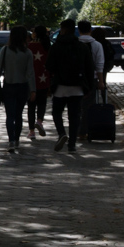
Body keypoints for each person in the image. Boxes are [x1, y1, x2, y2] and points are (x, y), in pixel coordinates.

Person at [46, 19, 95, 153]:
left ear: (63, 30)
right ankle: (72, 145)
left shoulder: (56, 46)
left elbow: (49, 66)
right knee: (74, 116)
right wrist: (89, 86)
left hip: (60, 86)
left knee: (57, 112)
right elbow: (90, 68)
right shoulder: (82, 47)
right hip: (77, 86)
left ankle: (62, 133)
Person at [0, 25, 36, 152]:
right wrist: (33, 89)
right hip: (22, 87)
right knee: (19, 115)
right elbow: (30, 73)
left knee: (10, 115)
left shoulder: (5, 50)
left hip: (9, 86)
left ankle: (11, 140)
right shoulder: (27, 53)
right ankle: (17, 139)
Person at [77, 21, 106, 140]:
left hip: (76, 80)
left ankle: (77, 129)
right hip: (91, 79)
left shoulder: (75, 44)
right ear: (90, 30)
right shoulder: (97, 45)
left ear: (79, 30)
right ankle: (85, 130)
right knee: (89, 106)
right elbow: (100, 65)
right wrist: (101, 81)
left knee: (76, 106)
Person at [26, 26, 51, 140]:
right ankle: (39, 121)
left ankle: (31, 131)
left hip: (31, 79)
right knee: (42, 102)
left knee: (31, 105)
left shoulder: (29, 46)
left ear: (35, 34)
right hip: (44, 78)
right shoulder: (47, 46)